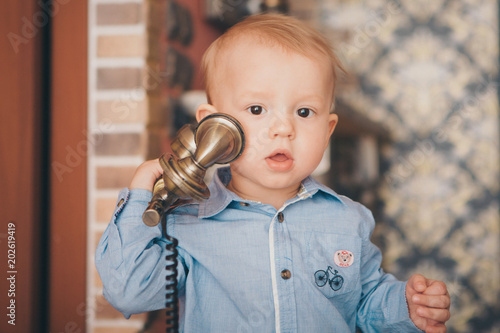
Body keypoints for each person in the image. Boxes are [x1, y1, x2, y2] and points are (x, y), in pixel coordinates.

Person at [95, 13, 450, 332]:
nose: (283, 128)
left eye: (305, 112)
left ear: (327, 132)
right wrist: (142, 198)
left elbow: (365, 302)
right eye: (256, 108)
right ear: (213, 126)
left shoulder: (349, 220)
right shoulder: (189, 223)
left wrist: (406, 308)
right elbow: (129, 293)